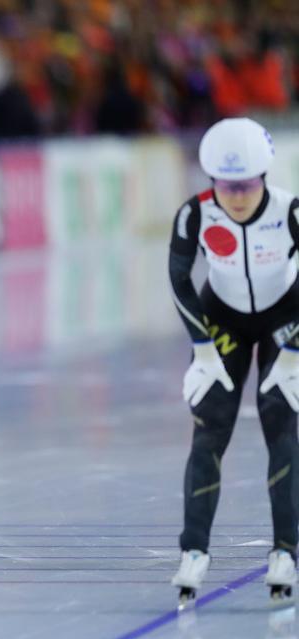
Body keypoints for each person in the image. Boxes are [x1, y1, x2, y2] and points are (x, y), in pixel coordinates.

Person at [169, 117, 299, 604]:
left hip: (285, 319)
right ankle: (194, 551)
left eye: (246, 186)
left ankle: (286, 549)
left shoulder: (290, 212)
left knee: (281, 427)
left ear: (264, 177)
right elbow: (180, 280)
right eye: (226, 186)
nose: (237, 197)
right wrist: (202, 349)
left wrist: (292, 352)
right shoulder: (195, 215)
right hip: (221, 321)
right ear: (211, 182)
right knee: (210, 429)